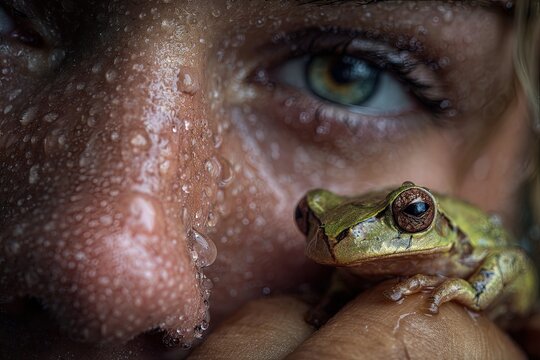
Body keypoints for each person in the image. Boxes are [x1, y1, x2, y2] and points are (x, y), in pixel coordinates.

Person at [0, 0, 538, 358]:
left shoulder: (479, 249)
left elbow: (507, 264)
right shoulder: (345, 251)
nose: (111, 276)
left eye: (346, 74)